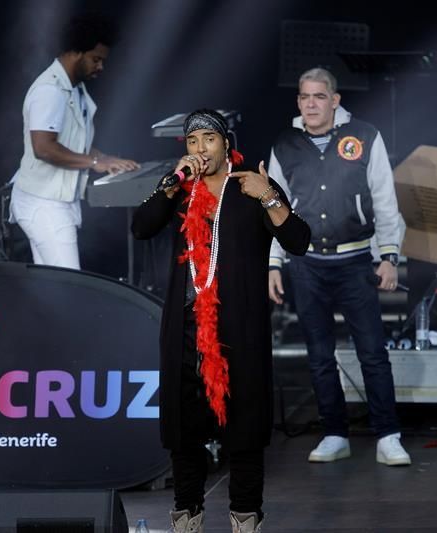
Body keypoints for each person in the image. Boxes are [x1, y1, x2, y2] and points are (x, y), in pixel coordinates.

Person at [132, 110, 310, 533]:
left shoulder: (250, 187)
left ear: (226, 144)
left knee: (245, 432)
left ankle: (245, 519)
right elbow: (141, 227)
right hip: (185, 332)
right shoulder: (181, 193)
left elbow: (299, 241)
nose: (199, 149)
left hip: (239, 330)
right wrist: (171, 184)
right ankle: (186, 518)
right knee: (184, 435)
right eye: (191, 142)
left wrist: (268, 195)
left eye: (207, 140)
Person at [267, 68, 412, 466]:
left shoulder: (365, 136)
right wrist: (273, 264)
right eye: (303, 97)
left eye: (318, 96)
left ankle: (388, 435)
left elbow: (385, 199)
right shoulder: (286, 144)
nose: (310, 104)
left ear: (335, 100)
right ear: (298, 102)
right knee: (318, 354)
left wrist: (389, 256)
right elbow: (275, 209)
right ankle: (334, 433)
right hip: (307, 265)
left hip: (355, 262)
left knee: (372, 352)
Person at [9, 13, 139, 269]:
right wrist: (93, 162)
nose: (100, 67)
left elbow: (71, 143)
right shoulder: (50, 91)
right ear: (76, 53)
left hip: (52, 202)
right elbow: (44, 148)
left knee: (54, 287)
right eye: (96, 59)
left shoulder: (74, 88)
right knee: (68, 285)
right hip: (43, 204)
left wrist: (106, 159)